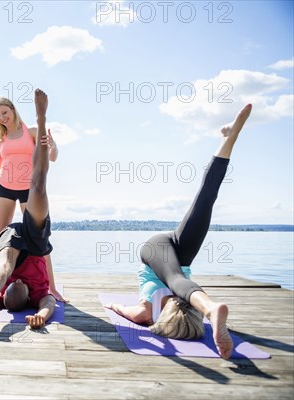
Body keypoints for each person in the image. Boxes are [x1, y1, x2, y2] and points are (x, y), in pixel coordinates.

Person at [104, 104, 253, 359]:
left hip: (169, 253)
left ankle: (229, 140)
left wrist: (114, 305)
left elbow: (120, 307)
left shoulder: (148, 311)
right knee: (205, 199)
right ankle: (228, 138)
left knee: (206, 198)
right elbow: (120, 308)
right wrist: (115, 306)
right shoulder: (146, 313)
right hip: (163, 253)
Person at [0, 89, 57, 336]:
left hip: (27, 189)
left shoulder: (31, 132)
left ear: (13, 110)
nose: (2, 118)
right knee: (1, 239)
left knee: (39, 238)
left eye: (4, 113)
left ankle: (52, 286)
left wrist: (51, 146)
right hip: (5, 189)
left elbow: (52, 156)